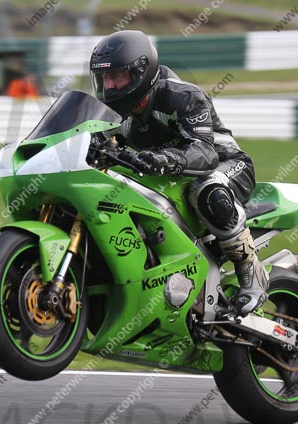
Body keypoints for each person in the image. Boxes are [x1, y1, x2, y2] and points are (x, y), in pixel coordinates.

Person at [89, 29, 268, 314]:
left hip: (226, 165)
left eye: (117, 77)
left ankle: (251, 274)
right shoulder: (112, 112)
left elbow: (205, 153)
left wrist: (164, 159)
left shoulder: (181, 97)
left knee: (207, 191)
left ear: (140, 72)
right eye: (104, 78)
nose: (109, 86)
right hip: (169, 177)